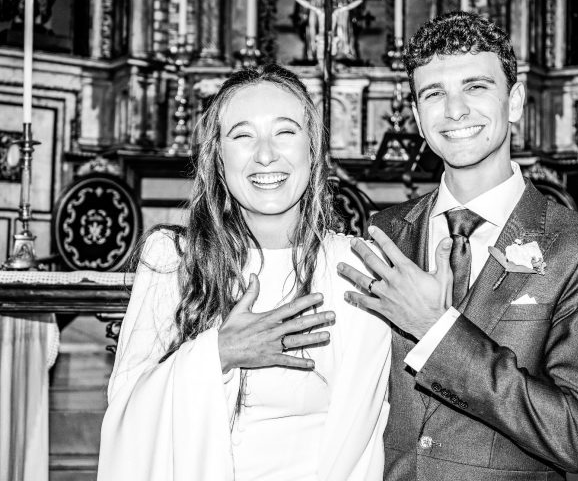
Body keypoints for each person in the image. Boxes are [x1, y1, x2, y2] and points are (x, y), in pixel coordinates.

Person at [339, 11, 578, 480]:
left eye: (475, 87)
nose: (454, 111)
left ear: (513, 101)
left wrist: (436, 330)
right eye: (434, 94)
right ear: (416, 114)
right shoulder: (384, 230)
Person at [98, 65, 391, 481]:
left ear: (313, 148)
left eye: (285, 132)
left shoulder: (356, 268)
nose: (265, 153)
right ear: (218, 156)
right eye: (242, 135)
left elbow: (377, 426)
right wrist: (217, 354)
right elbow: (126, 413)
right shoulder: (172, 259)